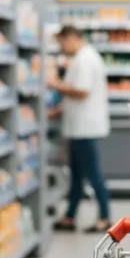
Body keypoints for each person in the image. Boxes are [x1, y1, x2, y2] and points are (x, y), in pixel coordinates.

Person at [48, 25, 112, 233]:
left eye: (62, 43)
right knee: (76, 175)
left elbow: (82, 92)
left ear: (71, 38)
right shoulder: (82, 58)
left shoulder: (84, 59)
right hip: (78, 127)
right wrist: (59, 110)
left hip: (86, 128)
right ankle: (70, 217)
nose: (61, 48)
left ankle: (104, 217)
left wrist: (54, 83)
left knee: (93, 174)